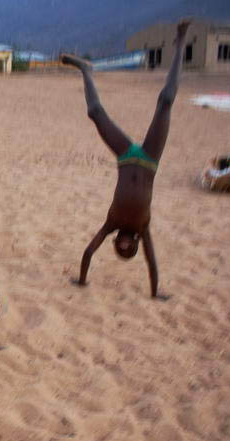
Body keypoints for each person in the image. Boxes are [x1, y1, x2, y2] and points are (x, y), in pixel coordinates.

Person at [61, 20, 190, 299]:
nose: (123, 246)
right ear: (134, 246)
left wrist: (82, 280)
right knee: (166, 101)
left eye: (119, 248)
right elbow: (152, 264)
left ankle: (85, 69)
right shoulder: (144, 229)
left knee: (95, 112)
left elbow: (88, 251)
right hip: (150, 159)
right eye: (128, 250)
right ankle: (181, 41)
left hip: (126, 157)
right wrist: (155, 293)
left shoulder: (111, 224)